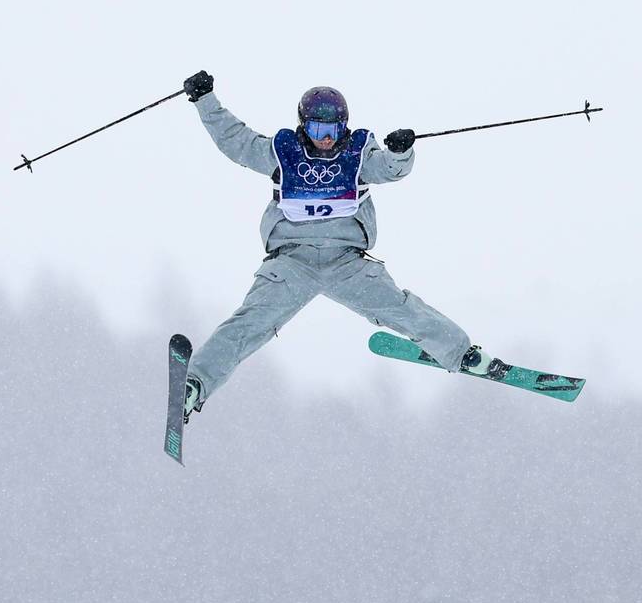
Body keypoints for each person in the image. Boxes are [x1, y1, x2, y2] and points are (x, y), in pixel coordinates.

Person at [179, 70, 494, 419]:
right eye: (316, 130)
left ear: (344, 128)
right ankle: (194, 386)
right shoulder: (282, 153)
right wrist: (204, 100)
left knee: (402, 307)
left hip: (347, 264)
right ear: (303, 126)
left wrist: (400, 152)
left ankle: (460, 352)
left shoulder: (359, 155)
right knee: (247, 325)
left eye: (332, 131)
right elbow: (236, 140)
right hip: (290, 264)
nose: (325, 139)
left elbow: (390, 169)